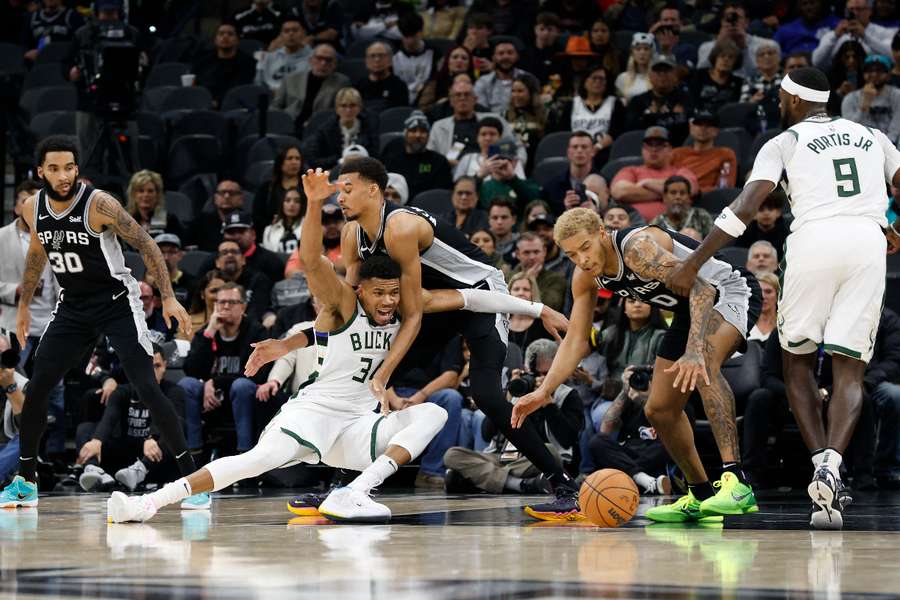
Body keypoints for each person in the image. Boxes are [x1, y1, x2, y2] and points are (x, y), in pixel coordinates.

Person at [107, 167, 566, 523]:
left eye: (346, 189)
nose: (387, 300)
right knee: (255, 461)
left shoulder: (403, 275)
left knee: (449, 406)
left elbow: (461, 298)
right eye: (377, 292)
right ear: (359, 288)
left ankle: (355, 491)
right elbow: (317, 286)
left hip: (368, 411)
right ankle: (149, 503)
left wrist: (541, 310)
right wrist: (286, 344)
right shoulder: (348, 287)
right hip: (318, 412)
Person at [666, 66, 900, 529]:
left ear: (792, 99)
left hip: (815, 239)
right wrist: (894, 227)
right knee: (849, 366)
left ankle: (819, 463)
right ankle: (833, 466)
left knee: (797, 359)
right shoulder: (873, 135)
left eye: (779, 97)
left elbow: (747, 206)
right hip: (867, 242)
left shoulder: (784, 142)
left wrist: (693, 263)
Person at [329, 158, 583, 519]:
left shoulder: (400, 228)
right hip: (436, 302)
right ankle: (344, 486)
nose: (340, 197)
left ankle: (562, 484)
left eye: (347, 188)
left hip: (480, 296)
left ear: (374, 190)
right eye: (338, 190)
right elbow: (358, 304)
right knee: (364, 377)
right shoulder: (351, 235)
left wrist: (385, 375)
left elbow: (414, 315)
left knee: (487, 395)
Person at [513, 206, 763, 524]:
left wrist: (695, 349)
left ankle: (736, 483)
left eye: (586, 248)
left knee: (703, 364)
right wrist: (544, 391)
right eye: (572, 254)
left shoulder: (637, 247)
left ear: (602, 234)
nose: (583, 260)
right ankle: (700, 495)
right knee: (659, 410)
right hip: (689, 307)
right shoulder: (585, 276)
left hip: (727, 289)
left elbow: (702, 289)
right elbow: (576, 340)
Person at [0, 136, 201, 509]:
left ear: (78, 168)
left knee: (145, 385)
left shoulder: (99, 204)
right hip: (73, 306)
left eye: (70, 167)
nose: (64, 175)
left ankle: (192, 481)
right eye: (55, 168)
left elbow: (146, 244)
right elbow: (37, 252)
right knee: (40, 383)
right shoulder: (33, 207)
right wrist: (25, 304)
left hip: (116, 303)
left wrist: (169, 296)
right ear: (40, 171)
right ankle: (26, 482)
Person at [444, 339, 583, 496]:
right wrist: (507, 397)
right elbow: (486, 433)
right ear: (525, 369)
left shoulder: (567, 395)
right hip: (501, 457)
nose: (539, 379)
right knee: (452, 454)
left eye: (545, 374)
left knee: (550, 453)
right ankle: (519, 484)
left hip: (537, 460)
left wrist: (549, 404)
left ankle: (481, 480)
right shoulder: (518, 389)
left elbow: (568, 439)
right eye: (534, 374)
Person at [76, 344, 183, 492]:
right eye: (146, 367)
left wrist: (151, 437)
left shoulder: (174, 391)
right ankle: (94, 470)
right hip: (129, 453)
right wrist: (96, 440)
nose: (152, 372)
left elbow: (173, 422)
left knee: (173, 433)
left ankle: (139, 471)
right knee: (86, 429)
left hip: (156, 456)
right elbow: (110, 416)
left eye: (157, 366)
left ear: (165, 366)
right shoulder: (123, 392)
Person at [179, 283, 268, 457]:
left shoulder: (256, 332)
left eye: (232, 302)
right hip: (209, 399)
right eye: (221, 302)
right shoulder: (206, 332)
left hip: (244, 397)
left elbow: (258, 374)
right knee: (186, 385)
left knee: (241, 386)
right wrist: (210, 333)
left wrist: (216, 382)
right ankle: (194, 454)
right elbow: (191, 370)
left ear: (243, 306)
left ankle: (246, 455)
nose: (225, 306)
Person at [390, 334, 466, 488]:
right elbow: (376, 371)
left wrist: (421, 396)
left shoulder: (448, 333)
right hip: (391, 392)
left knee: (451, 398)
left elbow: (450, 376)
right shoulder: (394, 327)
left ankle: (431, 471)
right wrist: (393, 400)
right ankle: (358, 473)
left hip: (428, 394)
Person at [589, 367, 672, 495]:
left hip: (652, 459)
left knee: (670, 444)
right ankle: (641, 479)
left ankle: (632, 477)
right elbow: (605, 428)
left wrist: (649, 398)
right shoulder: (632, 404)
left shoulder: (674, 407)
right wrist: (625, 390)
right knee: (597, 441)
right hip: (627, 457)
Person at [610, 126, 700, 222]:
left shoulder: (681, 171)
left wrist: (647, 183)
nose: (653, 149)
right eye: (649, 145)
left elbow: (691, 188)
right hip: (634, 227)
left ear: (670, 149)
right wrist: (671, 193)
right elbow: (619, 192)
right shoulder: (631, 171)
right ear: (642, 150)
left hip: (674, 227)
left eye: (660, 145)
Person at [428, 79, 522, 167]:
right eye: (458, 95)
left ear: (475, 99)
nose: (462, 98)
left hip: (492, 170)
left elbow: (516, 147)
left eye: (467, 94)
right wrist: (445, 163)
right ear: (451, 101)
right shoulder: (439, 127)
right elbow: (429, 159)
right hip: (451, 174)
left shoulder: (494, 119)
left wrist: (513, 164)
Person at [548, 65, 625, 166]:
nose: (597, 82)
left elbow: (616, 132)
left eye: (601, 79)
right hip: (576, 151)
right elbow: (563, 132)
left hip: (604, 153)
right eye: (594, 78)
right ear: (585, 81)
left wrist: (597, 147)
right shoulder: (572, 104)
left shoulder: (615, 104)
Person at [273, 43, 350, 132]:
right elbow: (275, 107)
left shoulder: (341, 82)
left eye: (328, 60)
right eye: (319, 58)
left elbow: (342, 111)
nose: (323, 63)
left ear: (335, 64)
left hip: (320, 129)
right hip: (289, 126)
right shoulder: (291, 79)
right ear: (311, 60)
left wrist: (314, 123)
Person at [697, 2, 781, 79]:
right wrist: (718, 46)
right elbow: (701, 75)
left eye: (738, 18)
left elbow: (761, 75)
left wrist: (744, 48)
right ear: (722, 21)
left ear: (747, 22)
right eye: (728, 18)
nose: (732, 22)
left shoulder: (767, 46)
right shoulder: (706, 47)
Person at [382, 111, 453, 200]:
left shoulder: (439, 162)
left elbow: (441, 195)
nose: (418, 135)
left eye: (423, 131)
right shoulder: (393, 160)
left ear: (428, 136)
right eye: (413, 130)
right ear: (406, 134)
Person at [303, 87, 379, 170]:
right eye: (343, 106)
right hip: (334, 171)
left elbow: (375, 156)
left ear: (359, 108)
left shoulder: (369, 127)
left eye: (352, 105)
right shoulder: (325, 130)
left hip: (364, 169)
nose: (348, 110)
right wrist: (339, 160)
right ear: (336, 108)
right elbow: (314, 160)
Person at [624, 56, 692, 144]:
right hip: (647, 150)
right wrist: (671, 116)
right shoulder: (637, 102)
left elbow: (691, 129)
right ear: (650, 75)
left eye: (667, 71)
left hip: (679, 150)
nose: (662, 74)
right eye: (657, 71)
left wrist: (651, 117)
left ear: (675, 74)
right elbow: (630, 131)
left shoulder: (687, 99)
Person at [811, 0, 897, 70]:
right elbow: (816, 62)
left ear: (870, 11)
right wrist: (835, 36)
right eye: (851, 9)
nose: (855, 13)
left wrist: (865, 36)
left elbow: (895, 57)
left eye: (859, 9)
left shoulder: (885, 32)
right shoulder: (833, 35)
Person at [192, 21, 256, 109]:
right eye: (221, 34)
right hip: (202, 104)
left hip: (231, 107)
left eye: (230, 34)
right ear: (215, 40)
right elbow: (195, 83)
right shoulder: (203, 61)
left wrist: (217, 102)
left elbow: (238, 89)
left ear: (237, 40)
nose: (225, 37)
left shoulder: (247, 62)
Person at [672, 112, 738, 194]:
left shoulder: (725, 154)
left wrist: (695, 192)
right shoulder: (676, 153)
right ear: (691, 128)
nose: (703, 128)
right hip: (674, 197)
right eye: (698, 124)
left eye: (709, 125)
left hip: (707, 200)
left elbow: (724, 187)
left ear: (716, 130)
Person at [841, 55, 900, 144]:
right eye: (869, 70)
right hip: (862, 146)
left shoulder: (896, 95)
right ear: (863, 74)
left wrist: (885, 147)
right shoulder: (850, 99)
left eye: (879, 70)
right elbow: (849, 131)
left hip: (891, 146)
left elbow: (896, 128)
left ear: (888, 75)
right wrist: (864, 107)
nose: (874, 74)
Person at [214, 238, 273, 323]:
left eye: (234, 252)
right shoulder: (212, 282)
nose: (230, 255)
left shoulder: (259, 280)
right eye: (224, 253)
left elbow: (257, 312)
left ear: (243, 260)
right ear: (217, 263)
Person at [541, 131, 599, 216]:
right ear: (568, 152)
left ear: (593, 151)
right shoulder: (552, 187)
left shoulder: (604, 184)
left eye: (584, 147)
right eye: (575, 147)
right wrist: (565, 210)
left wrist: (595, 212)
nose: (579, 150)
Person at [507, 232, 566, 313]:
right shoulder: (507, 277)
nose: (532, 257)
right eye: (526, 252)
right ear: (517, 254)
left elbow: (551, 306)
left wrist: (531, 280)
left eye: (536, 252)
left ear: (544, 251)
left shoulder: (556, 279)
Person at [253, 145, 304, 238]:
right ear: (280, 163)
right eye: (289, 158)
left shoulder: (308, 187)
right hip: (272, 234)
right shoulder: (267, 188)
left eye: (297, 158)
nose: (294, 162)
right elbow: (257, 216)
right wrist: (271, 224)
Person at [254, 15, 311, 93]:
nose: (291, 34)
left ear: (304, 33)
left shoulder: (314, 57)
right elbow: (257, 85)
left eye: (295, 30)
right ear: (281, 35)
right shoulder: (268, 57)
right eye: (286, 31)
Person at [124, 170, 184, 244]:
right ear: (134, 194)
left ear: (157, 195)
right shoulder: (125, 221)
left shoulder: (170, 220)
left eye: (150, 191)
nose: (146, 195)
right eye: (141, 191)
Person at [504, 73, 548, 172]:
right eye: (513, 91)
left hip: (537, 165)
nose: (515, 95)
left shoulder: (547, 114)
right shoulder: (505, 115)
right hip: (512, 166)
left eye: (520, 91)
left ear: (532, 93)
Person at [474, 38, 530, 114]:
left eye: (510, 53)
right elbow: (481, 113)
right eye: (501, 53)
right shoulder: (482, 82)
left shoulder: (528, 79)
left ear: (517, 56)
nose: (505, 57)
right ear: (494, 58)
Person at [689, 38, 744, 115]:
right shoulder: (699, 75)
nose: (726, 60)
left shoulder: (738, 82)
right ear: (715, 58)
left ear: (735, 62)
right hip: (701, 119)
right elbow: (692, 101)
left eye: (731, 57)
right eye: (722, 56)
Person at [393, 12, 438, 105]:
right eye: (405, 36)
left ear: (421, 33)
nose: (409, 41)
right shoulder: (394, 55)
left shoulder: (435, 53)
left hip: (427, 101)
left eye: (413, 36)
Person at [190, 180, 245, 252]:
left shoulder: (250, 222)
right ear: (215, 198)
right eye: (222, 193)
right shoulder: (200, 223)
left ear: (241, 198)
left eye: (232, 193)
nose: (227, 196)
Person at [355, 41, 409, 114]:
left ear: (390, 60)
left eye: (381, 56)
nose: (377, 59)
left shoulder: (399, 86)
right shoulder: (357, 87)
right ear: (366, 61)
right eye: (372, 56)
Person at [734, 190, 790, 260]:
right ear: (753, 214)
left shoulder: (786, 234)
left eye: (770, 209)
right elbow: (738, 256)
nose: (766, 213)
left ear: (778, 212)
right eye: (761, 209)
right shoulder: (745, 233)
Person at [0, 334, 26, 483]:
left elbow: (26, 426)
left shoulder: (22, 384)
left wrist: (11, 387)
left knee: (26, 438)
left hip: (8, 449)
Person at [739, 40, 783, 126]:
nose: (766, 56)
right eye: (761, 54)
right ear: (756, 61)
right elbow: (742, 108)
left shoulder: (787, 79)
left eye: (770, 53)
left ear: (779, 58)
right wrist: (753, 101)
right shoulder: (749, 82)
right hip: (758, 122)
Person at [418, 45, 475, 111]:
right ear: (448, 61)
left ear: (469, 64)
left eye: (464, 58)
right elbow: (423, 107)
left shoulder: (477, 83)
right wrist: (439, 105)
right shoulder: (435, 81)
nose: (459, 60)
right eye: (455, 57)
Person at [506, 273, 553, 350]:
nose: (521, 293)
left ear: (533, 294)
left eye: (526, 289)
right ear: (509, 293)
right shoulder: (500, 323)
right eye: (516, 289)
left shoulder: (544, 324)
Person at [773, 0, 838, 56]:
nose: (809, 7)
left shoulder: (835, 25)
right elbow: (774, 50)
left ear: (820, 4)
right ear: (799, 7)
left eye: (812, 3)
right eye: (804, 4)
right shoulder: (785, 30)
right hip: (793, 66)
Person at [152, 234, 197, 310]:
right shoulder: (148, 285)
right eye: (160, 252)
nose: (166, 257)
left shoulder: (192, 283)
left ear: (180, 255)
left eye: (171, 252)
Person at [520, 12, 563, 85]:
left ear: (557, 32)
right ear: (535, 30)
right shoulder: (525, 54)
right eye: (542, 29)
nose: (545, 33)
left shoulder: (561, 54)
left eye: (550, 29)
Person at [614, 33, 653, 103]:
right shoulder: (622, 78)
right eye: (638, 49)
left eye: (646, 49)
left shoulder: (656, 78)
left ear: (651, 52)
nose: (642, 52)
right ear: (632, 53)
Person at [262, 188, 304, 254]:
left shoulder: (309, 229)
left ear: (302, 205)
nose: (292, 204)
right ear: (282, 204)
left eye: (297, 201)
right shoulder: (269, 230)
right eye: (287, 200)